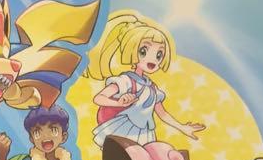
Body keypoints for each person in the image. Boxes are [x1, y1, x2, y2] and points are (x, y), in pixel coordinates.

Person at [88, 11, 205, 147]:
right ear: (131, 50)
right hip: (123, 129)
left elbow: (162, 114)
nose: (153, 59)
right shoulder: (126, 81)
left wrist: (183, 127)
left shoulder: (152, 88)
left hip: (144, 133)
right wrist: (118, 103)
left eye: (159, 54)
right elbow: (99, 98)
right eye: (143, 51)